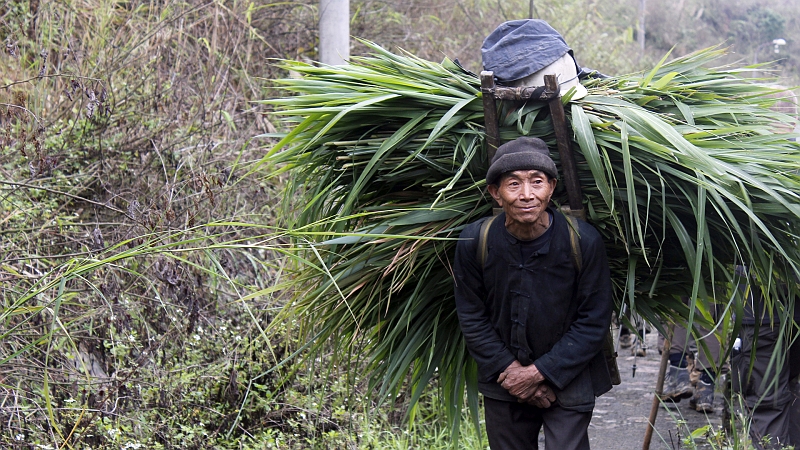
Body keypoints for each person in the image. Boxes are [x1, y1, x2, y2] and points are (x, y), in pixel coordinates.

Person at [453, 137, 613, 450]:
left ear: (551, 187)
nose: (527, 195)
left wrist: (541, 373)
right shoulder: (475, 241)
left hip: (570, 378)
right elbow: (472, 315)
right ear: (495, 193)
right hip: (504, 380)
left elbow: (593, 321)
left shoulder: (583, 242)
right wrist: (514, 373)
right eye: (513, 184)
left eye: (536, 182)